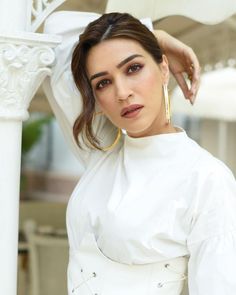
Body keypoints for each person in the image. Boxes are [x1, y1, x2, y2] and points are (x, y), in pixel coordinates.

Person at [43, 11, 236, 295]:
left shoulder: (206, 178)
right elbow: (55, 29)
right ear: (95, 98)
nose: (122, 92)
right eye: (103, 82)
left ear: (163, 69)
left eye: (133, 68)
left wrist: (144, 39)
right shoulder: (102, 150)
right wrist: (153, 36)